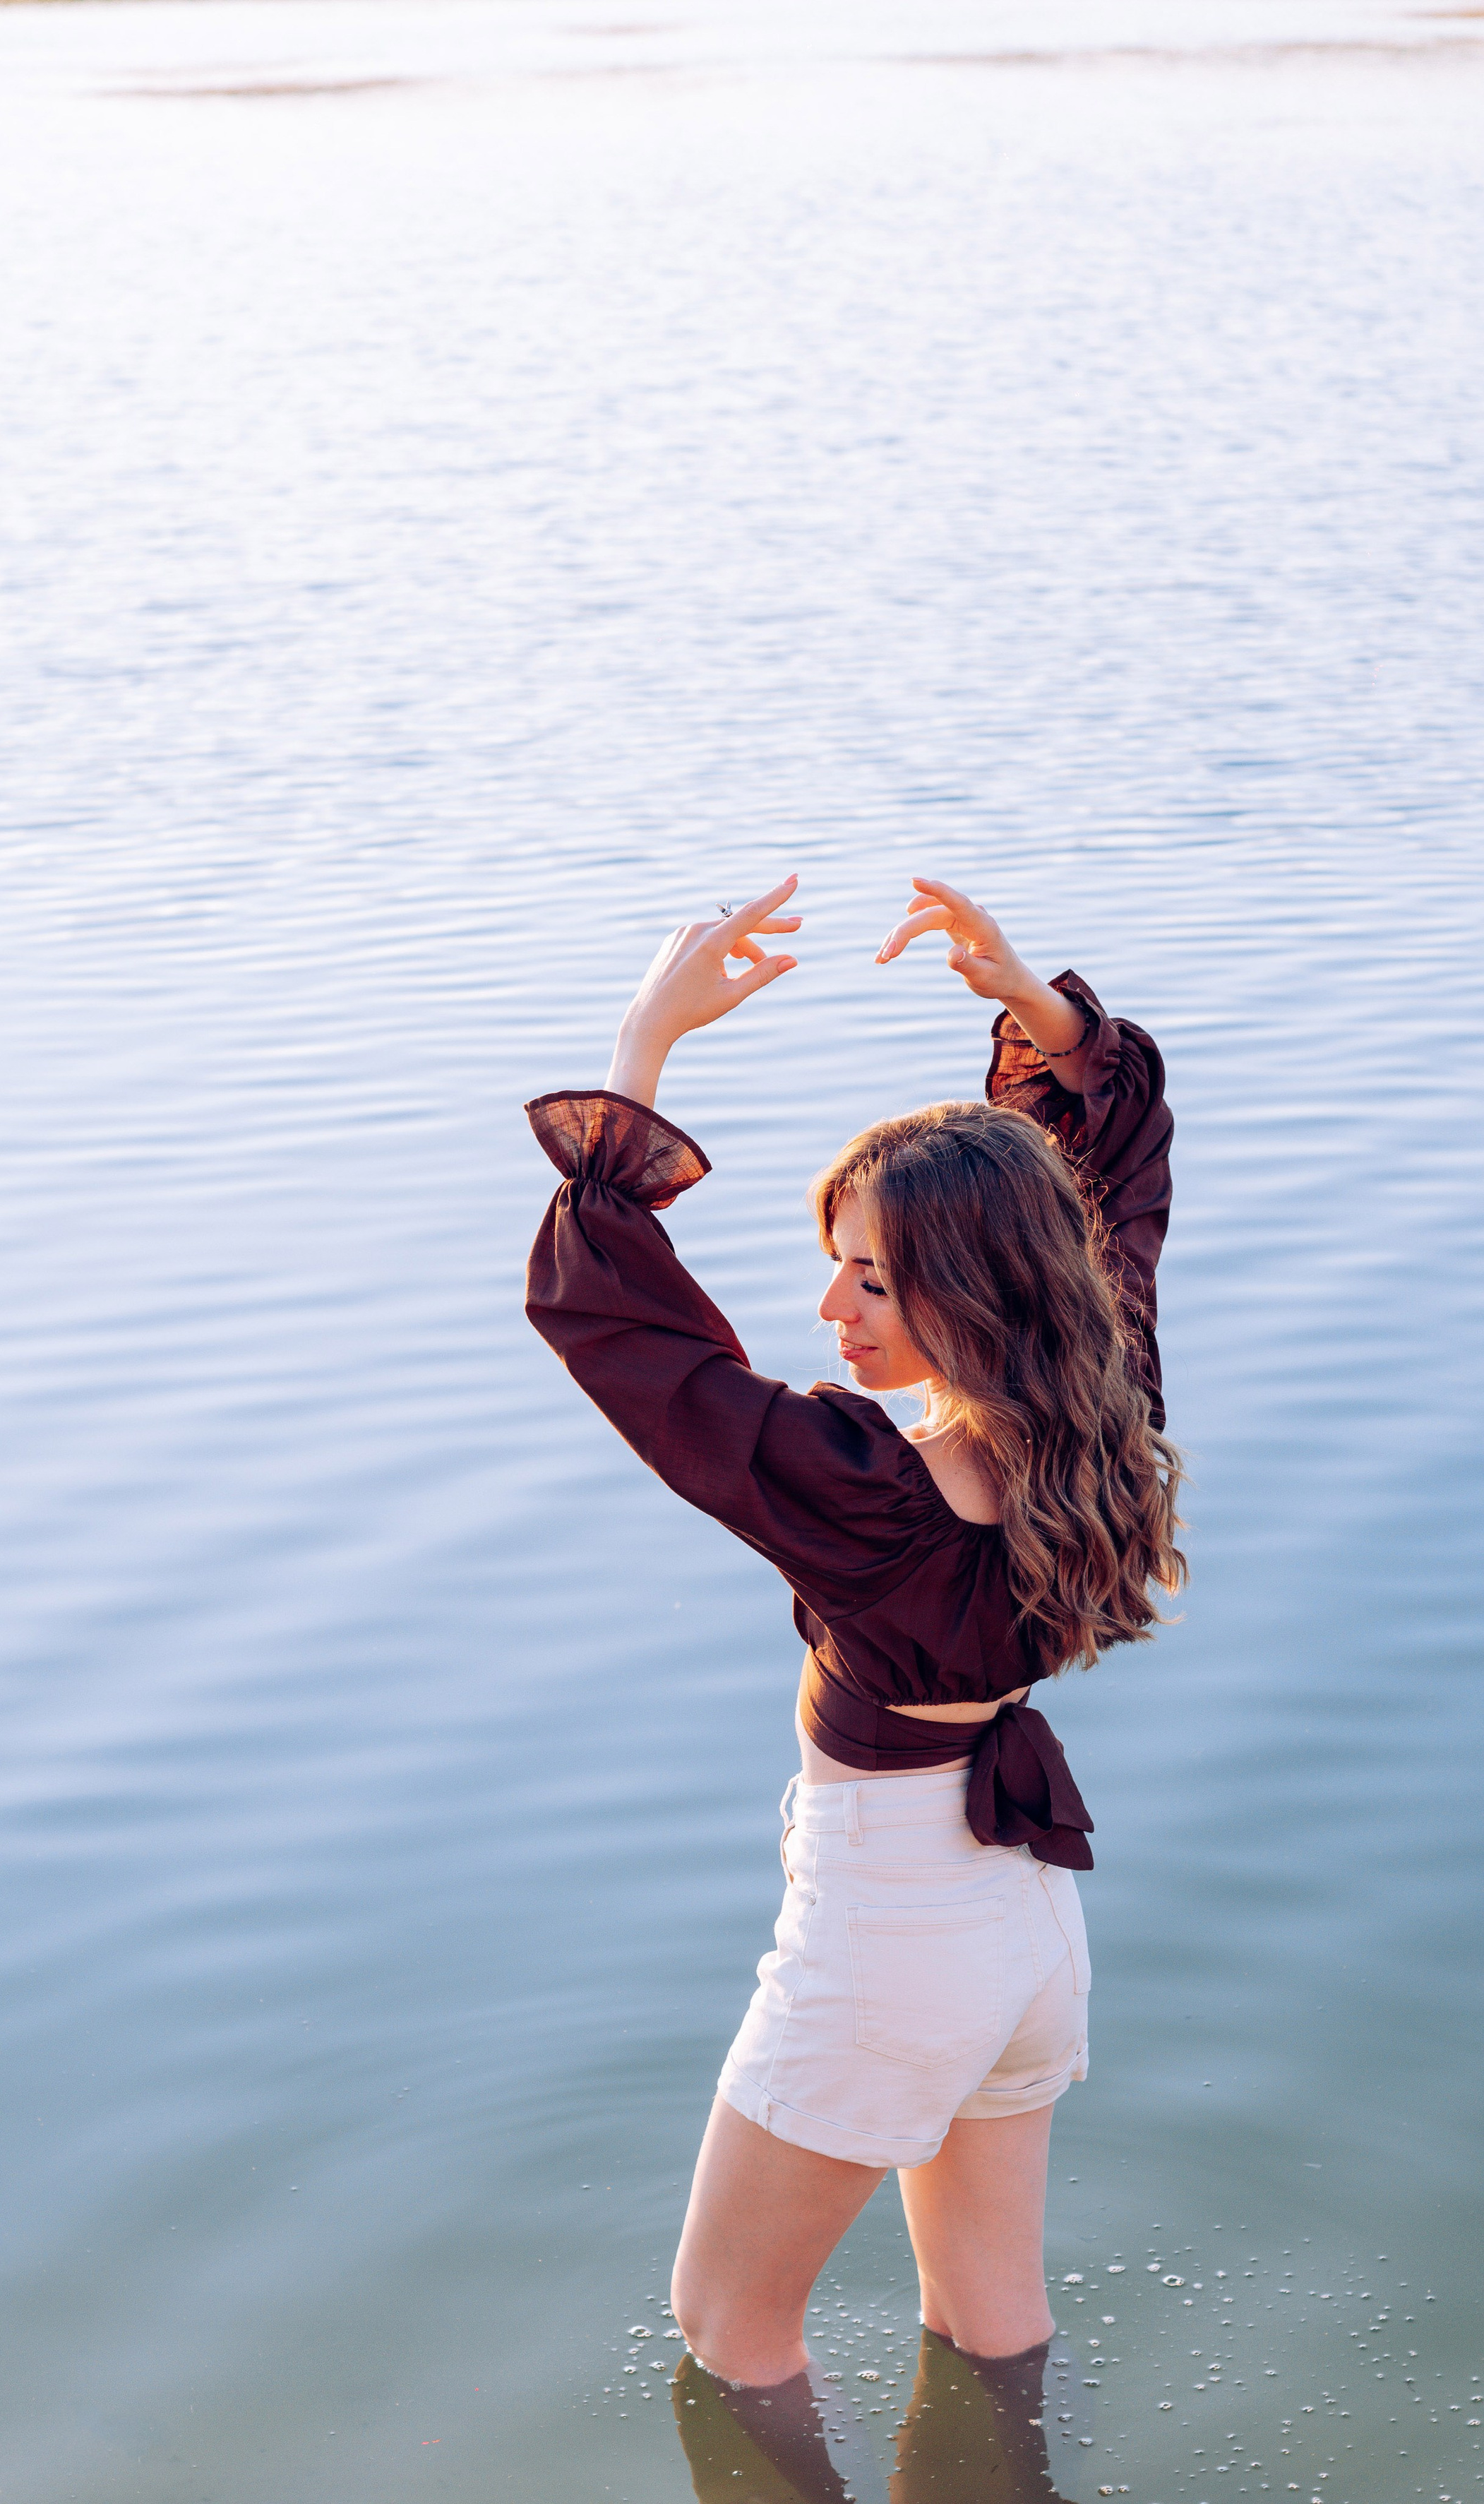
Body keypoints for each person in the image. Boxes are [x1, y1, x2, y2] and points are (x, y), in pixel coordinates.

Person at [524, 874, 1183, 2494]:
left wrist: (641, 1046)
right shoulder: (1102, 1395)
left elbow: (621, 1335)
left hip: (889, 1938)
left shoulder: (862, 1492)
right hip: (1025, 1927)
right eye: (838, 1270)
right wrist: (1033, 1011)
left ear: (978, 1289)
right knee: (988, 2312)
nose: (831, 1311)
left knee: (725, 2326)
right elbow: (1110, 1175)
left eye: (873, 1280)